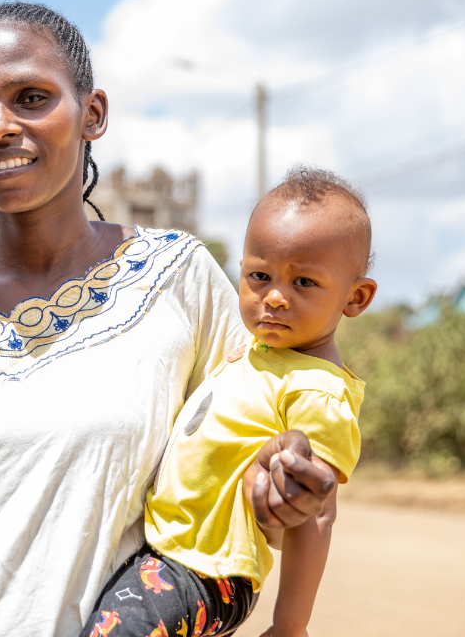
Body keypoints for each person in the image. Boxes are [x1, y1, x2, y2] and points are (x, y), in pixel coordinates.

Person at [0, 3, 338, 637]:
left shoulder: (176, 278)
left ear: (93, 114)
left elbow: (247, 464)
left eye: (31, 98)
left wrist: (281, 490)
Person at [81, 166, 375, 637]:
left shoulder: (318, 390)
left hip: (209, 573)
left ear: (355, 298)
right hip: (169, 553)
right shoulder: (254, 353)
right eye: (260, 275)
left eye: (304, 283)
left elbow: (317, 513)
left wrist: (290, 625)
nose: (275, 297)